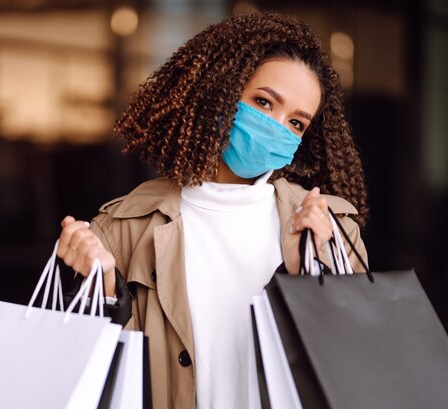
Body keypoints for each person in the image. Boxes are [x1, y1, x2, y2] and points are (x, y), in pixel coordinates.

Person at [56, 12, 368, 409]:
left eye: (295, 123)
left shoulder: (330, 229)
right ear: (219, 91)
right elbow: (96, 380)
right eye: (262, 102)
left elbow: (352, 370)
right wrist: (104, 294)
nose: (275, 126)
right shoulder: (122, 228)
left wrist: (305, 278)